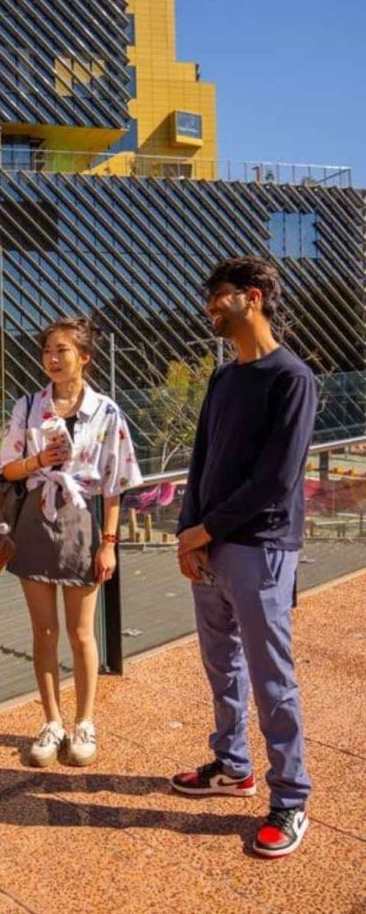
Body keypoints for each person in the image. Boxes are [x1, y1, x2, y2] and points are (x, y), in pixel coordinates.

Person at [173, 257, 317, 859]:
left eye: (218, 296)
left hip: (260, 548)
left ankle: (291, 798)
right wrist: (188, 530)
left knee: (271, 677)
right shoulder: (224, 377)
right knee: (221, 667)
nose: (209, 306)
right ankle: (233, 766)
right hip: (209, 546)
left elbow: (275, 480)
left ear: (251, 298)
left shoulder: (292, 377)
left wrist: (206, 528)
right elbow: (202, 458)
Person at [0, 316, 142, 767]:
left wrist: (110, 542)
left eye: (62, 350)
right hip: (36, 522)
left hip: (82, 522)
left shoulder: (107, 412)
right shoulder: (27, 406)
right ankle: (51, 720)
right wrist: (40, 459)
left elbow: (116, 483)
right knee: (43, 630)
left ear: (84, 357)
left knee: (81, 634)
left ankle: (84, 721)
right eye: (47, 351)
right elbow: (6, 469)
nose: (53, 359)